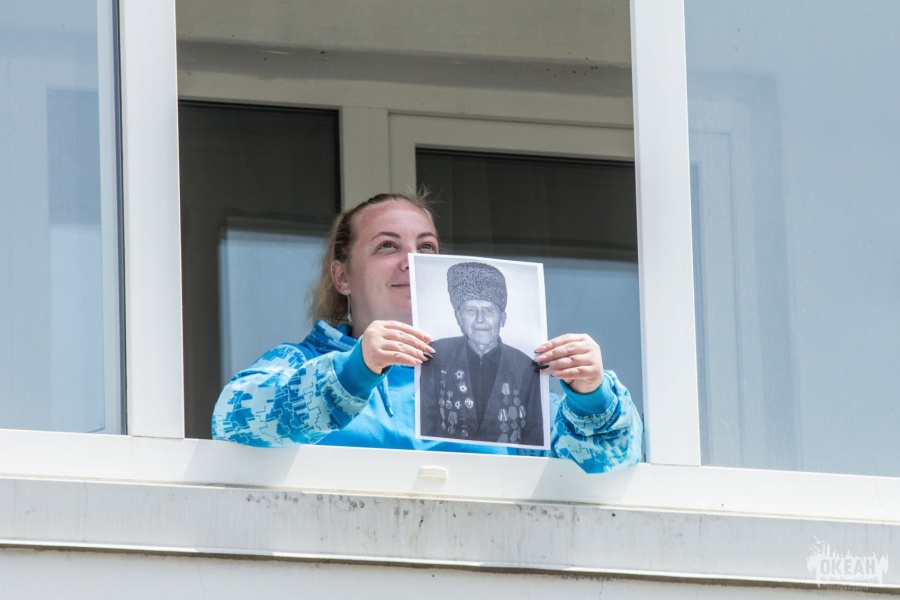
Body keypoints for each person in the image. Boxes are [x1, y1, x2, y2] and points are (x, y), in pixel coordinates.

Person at [211, 192, 642, 473]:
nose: (411, 261)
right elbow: (231, 422)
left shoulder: (504, 373)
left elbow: (611, 463)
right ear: (342, 277)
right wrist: (355, 371)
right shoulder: (302, 362)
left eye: (426, 247)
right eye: (387, 246)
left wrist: (591, 395)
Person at [419, 261, 543, 446]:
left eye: (489, 311)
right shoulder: (436, 355)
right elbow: (425, 426)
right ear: (459, 317)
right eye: (471, 310)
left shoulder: (526, 366)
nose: (480, 319)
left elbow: (535, 436)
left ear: (503, 318)